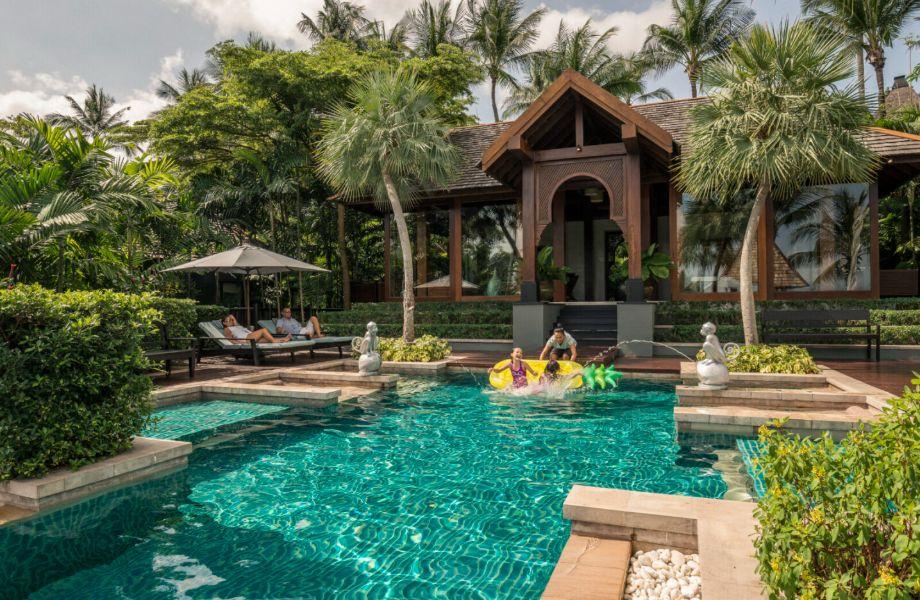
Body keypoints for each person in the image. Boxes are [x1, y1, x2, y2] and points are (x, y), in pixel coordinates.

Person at [222, 314, 291, 344]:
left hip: (250, 337)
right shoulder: (227, 329)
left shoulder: (236, 326)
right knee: (263, 330)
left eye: (231, 320)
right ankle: (274, 341)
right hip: (247, 338)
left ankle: (283, 339)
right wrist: (240, 343)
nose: (231, 321)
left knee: (267, 339)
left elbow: (235, 322)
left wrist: (232, 318)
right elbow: (229, 339)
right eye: (228, 321)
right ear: (224, 323)